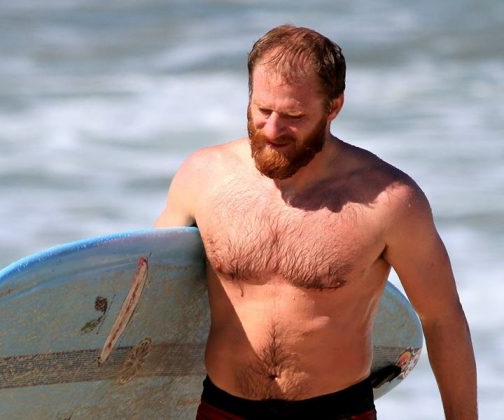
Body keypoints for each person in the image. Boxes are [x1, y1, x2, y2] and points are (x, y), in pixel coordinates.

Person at [154, 25, 477, 419]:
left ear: (333, 106)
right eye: (262, 110)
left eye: (293, 115)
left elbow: (441, 317)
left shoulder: (390, 200)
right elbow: (150, 290)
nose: (273, 130)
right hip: (222, 409)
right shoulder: (202, 176)